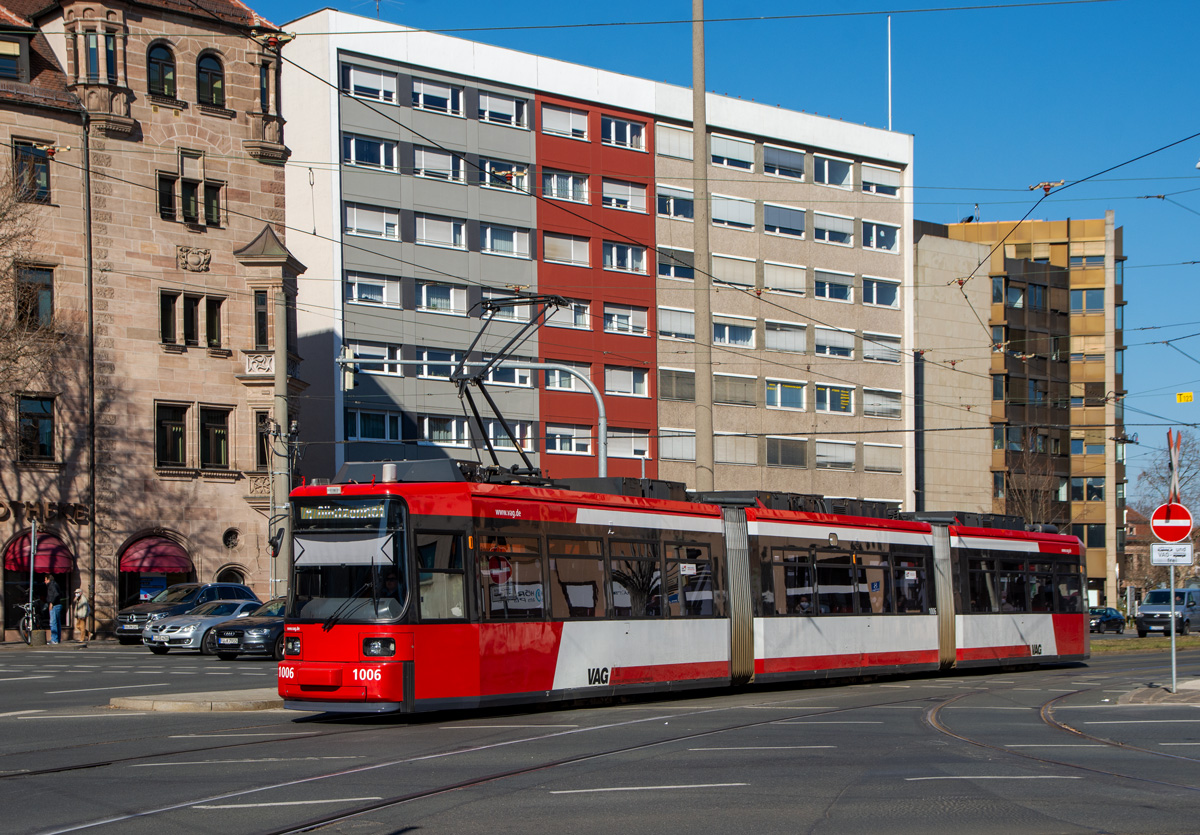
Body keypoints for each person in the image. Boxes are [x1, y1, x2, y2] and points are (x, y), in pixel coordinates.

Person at [44, 574, 61, 644]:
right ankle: (57, 639)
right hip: (58, 605)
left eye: (45, 580)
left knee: (53, 623)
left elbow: (55, 594)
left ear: (48, 580)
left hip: (54, 605)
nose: (44, 581)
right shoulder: (55, 584)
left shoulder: (51, 585)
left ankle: (54, 639)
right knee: (57, 623)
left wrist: (51, 603)